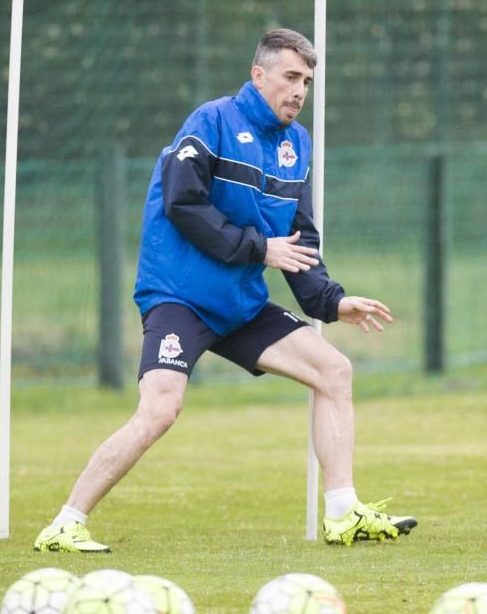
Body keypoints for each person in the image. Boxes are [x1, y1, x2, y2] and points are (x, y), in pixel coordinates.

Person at [34, 28, 415, 553]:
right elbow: (182, 204)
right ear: (258, 76)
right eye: (289, 77)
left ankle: (342, 513)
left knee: (334, 370)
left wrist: (332, 301)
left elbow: (297, 240)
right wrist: (260, 250)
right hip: (180, 297)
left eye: (307, 80)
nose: (300, 90)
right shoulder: (210, 122)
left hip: (240, 305)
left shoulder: (296, 146)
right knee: (160, 409)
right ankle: (65, 524)